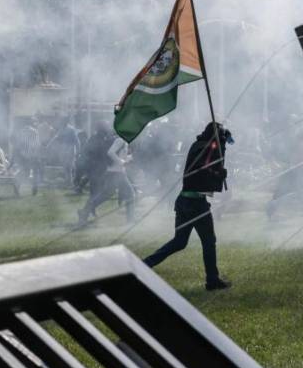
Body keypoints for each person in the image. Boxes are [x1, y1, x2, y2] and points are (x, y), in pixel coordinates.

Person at [143, 122, 233, 290]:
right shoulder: (208, 148)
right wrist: (220, 170)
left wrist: (221, 144)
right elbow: (210, 166)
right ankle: (212, 280)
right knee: (208, 241)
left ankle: (145, 264)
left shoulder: (197, 145)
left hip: (184, 200)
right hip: (196, 204)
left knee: (179, 242)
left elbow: (212, 160)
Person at [77, 135, 136, 224]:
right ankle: (130, 221)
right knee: (130, 194)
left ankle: (84, 212)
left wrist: (129, 158)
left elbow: (119, 156)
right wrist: (121, 162)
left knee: (106, 194)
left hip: (116, 172)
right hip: (116, 173)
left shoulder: (123, 141)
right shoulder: (120, 140)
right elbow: (110, 152)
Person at [15, 117, 44, 195]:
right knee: (35, 172)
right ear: (31, 123)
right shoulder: (34, 131)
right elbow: (36, 144)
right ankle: (34, 189)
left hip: (22, 155)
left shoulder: (21, 131)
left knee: (25, 172)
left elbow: (18, 145)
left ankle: (17, 185)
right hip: (32, 156)